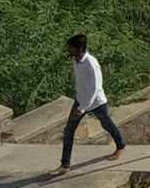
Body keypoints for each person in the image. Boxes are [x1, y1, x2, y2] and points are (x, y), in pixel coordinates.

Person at [50, 33, 125, 176]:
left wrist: (83, 107)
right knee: (69, 131)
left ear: (80, 49)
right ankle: (64, 165)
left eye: (71, 47)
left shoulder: (91, 63)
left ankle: (120, 145)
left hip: (96, 102)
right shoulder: (76, 60)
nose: (68, 50)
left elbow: (96, 87)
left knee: (106, 124)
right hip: (80, 100)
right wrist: (80, 102)